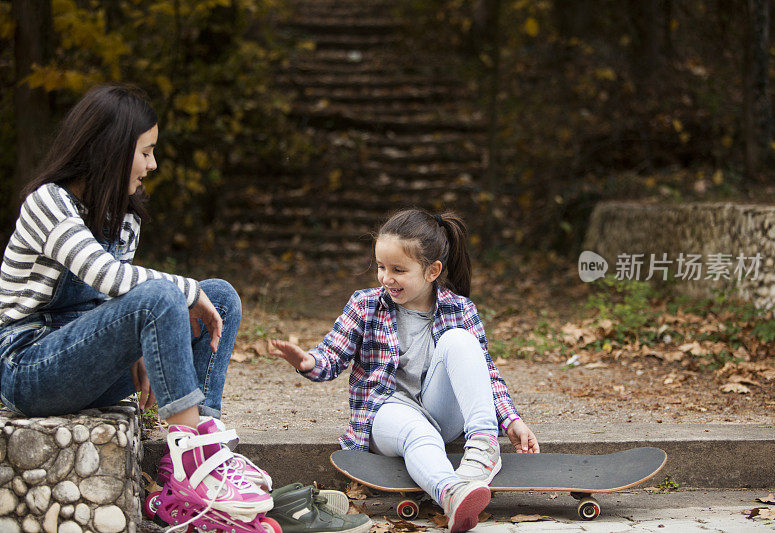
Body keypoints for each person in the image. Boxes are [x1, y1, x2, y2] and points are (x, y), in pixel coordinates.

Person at [0, 85, 369, 533]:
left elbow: (113, 304)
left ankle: (194, 464)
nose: (153, 165)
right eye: (146, 152)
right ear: (110, 152)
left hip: (86, 361)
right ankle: (197, 461)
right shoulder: (49, 203)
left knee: (222, 297)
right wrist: (181, 294)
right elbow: (110, 279)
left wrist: (136, 341)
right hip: (30, 367)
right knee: (172, 294)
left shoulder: (124, 215)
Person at [270, 209, 539, 533]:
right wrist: (309, 362)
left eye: (398, 269)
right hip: (388, 411)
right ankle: (452, 493)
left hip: (441, 411)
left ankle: (484, 447)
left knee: (460, 340)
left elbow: (484, 372)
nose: (386, 278)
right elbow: (332, 353)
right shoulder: (366, 304)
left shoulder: (460, 308)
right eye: (381, 267)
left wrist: (511, 419)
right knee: (419, 433)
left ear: (432, 271)